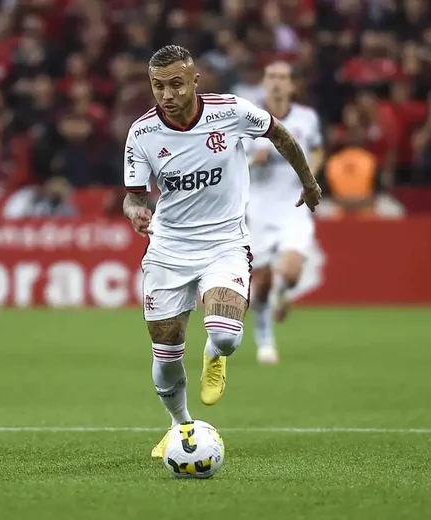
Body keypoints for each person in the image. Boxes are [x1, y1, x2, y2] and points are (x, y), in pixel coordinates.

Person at [121, 45, 321, 460]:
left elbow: (280, 134)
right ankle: (181, 426)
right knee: (166, 346)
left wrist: (308, 182)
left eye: (176, 84)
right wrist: (136, 212)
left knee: (226, 336)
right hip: (169, 248)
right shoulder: (141, 133)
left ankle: (214, 354)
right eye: (158, 86)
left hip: (225, 242)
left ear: (195, 81)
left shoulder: (230, 111)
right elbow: (133, 197)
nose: (167, 94)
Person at [246, 61, 324, 365]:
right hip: (258, 209)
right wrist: (255, 156)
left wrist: (310, 178)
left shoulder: (306, 118)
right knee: (262, 281)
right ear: (264, 83)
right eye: (271, 77)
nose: (277, 82)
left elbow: (317, 149)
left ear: (292, 85)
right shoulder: (248, 118)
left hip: (294, 207)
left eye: (283, 77)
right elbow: (233, 156)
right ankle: (265, 340)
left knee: (290, 273)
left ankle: (285, 293)